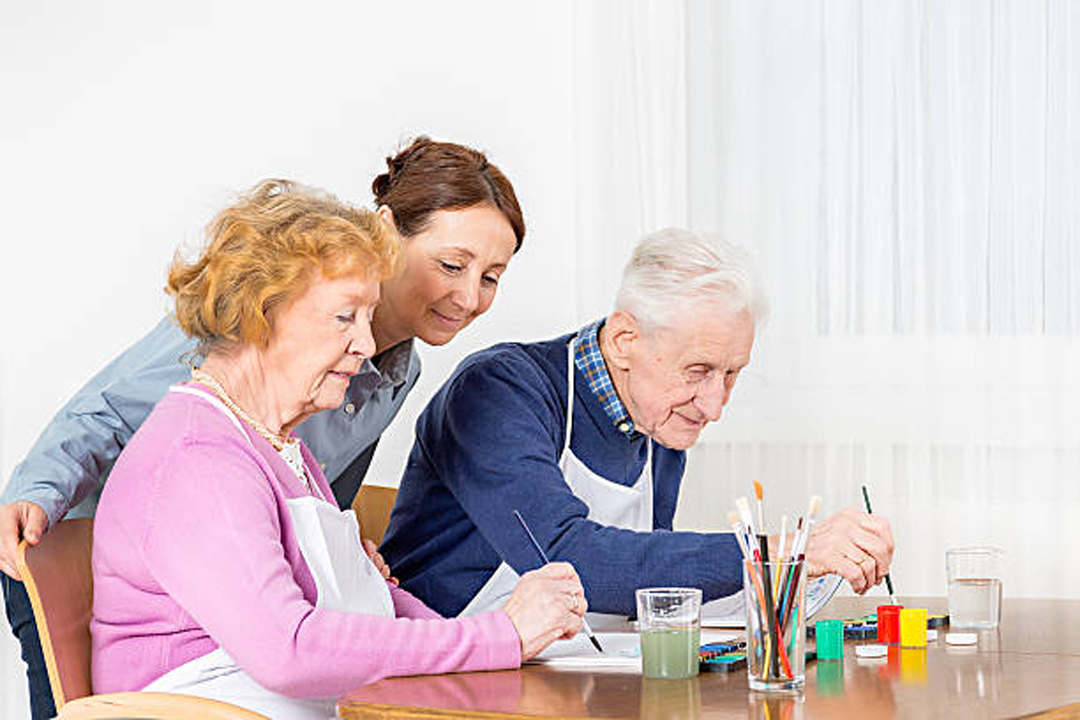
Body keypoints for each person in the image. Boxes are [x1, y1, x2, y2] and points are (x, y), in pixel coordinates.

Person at [0, 137, 525, 719]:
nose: (469, 296)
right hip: (100, 560)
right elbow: (108, 413)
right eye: (451, 265)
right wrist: (36, 492)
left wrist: (355, 572)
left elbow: (316, 519)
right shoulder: (218, 389)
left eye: (491, 277)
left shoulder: (326, 409)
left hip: (238, 604)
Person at [90, 179, 585, 719]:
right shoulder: (198, 456)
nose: (366, 345)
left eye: (368, 317)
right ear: (261, 313)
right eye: (345, 317)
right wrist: (498, 637)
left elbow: (374, 603)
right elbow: (289, 650)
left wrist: (496, 646)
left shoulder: (279, 445)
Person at [380, 228, 895, 620]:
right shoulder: (501, 389)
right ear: (626, 340)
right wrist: (779, 553)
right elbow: (566, 560)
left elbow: (644, 581)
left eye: (731, 374)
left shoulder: (661, 418)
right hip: (447, 679)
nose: (714, 405)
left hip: (570, 672)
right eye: (698, 371)